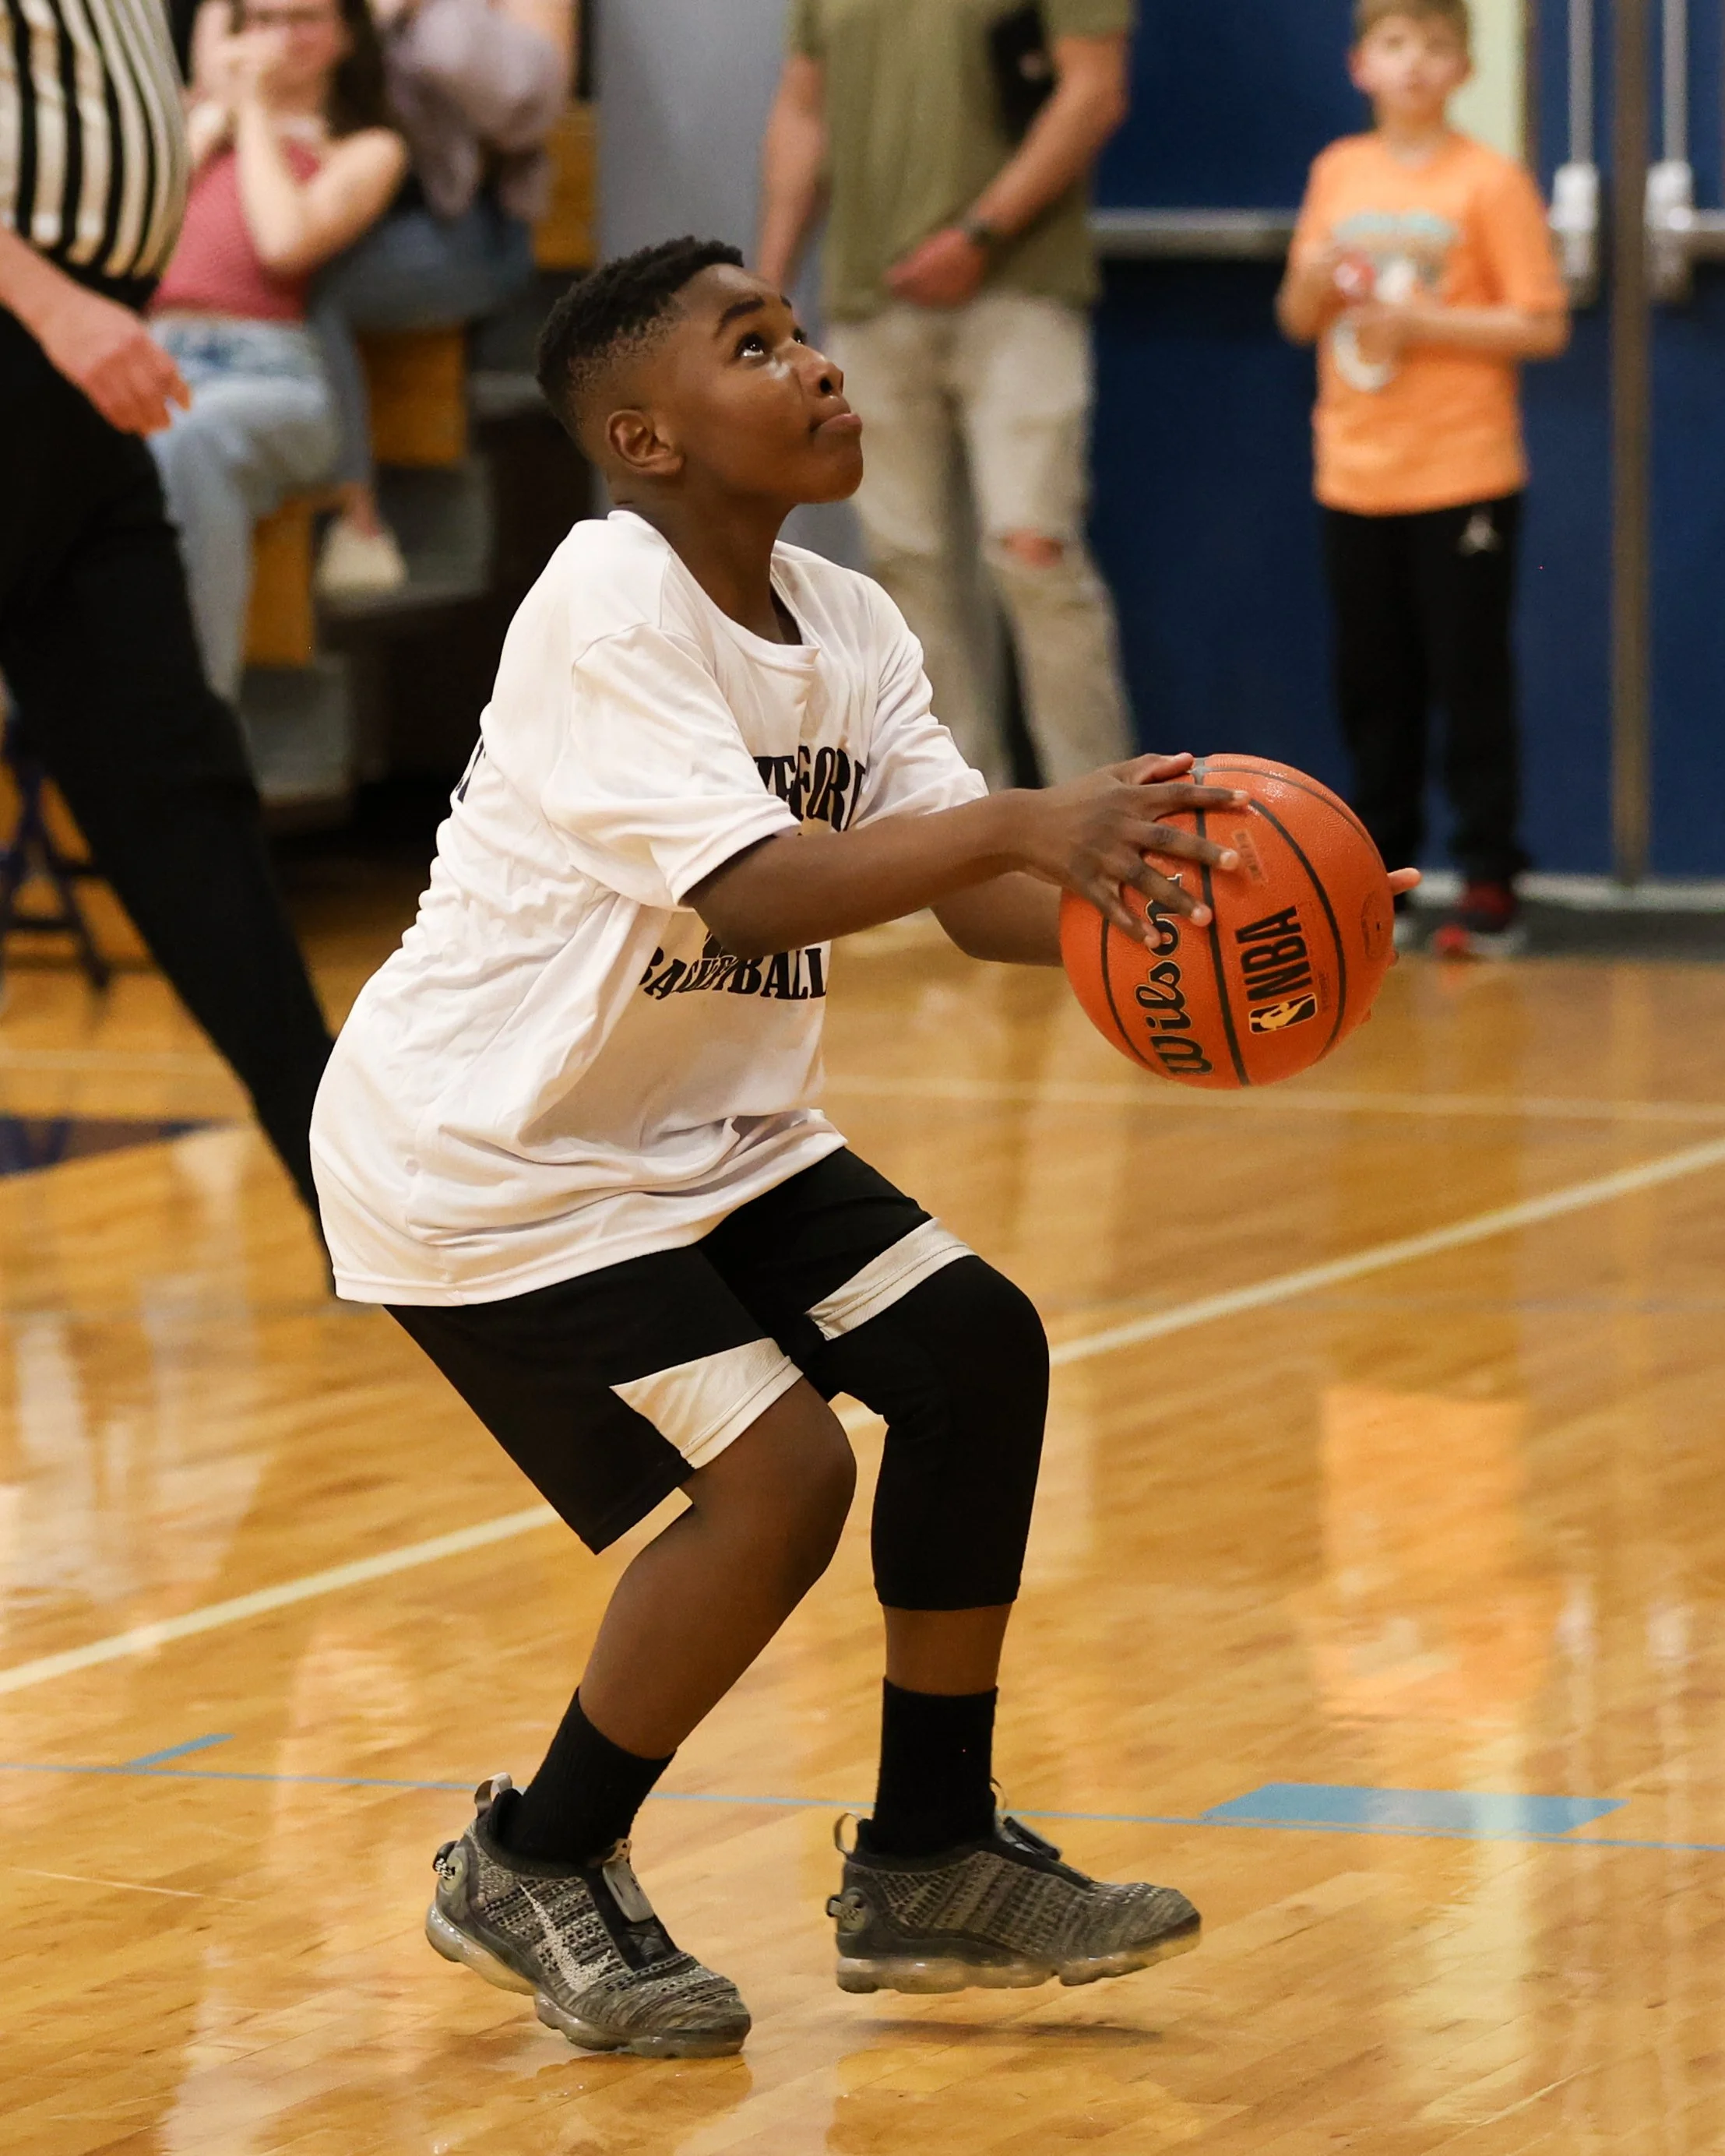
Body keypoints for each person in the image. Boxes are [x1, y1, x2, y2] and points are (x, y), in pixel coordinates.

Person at [313, 237, 1392, 2060]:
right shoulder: (605, 603)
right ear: (646, 437)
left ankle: (930, 1850)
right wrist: (1038, 824)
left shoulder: (853, 620)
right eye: (757, 345)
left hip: (705, 1126)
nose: (814, 364)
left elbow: (973, 900)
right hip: (495, 1154)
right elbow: (748, 889)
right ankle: (536, 1852)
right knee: (783, 1479)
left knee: (977, 1348)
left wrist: (1189, 895)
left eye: (806, 331)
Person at [1, 0, 336, 1215]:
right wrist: (52, 308)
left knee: (175, 782)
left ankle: (358, 1195)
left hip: (81, 369)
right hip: (39, 330)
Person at [756, 1, 1135, 794]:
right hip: (868, 301)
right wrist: (766, 290)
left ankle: (1104, 820)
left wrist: (979, 235)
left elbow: (1093, 91)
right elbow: (802, 112)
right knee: (906, 569)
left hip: (1019, 293)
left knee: (1034, 552)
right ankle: (960, 826)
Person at [1276, 0, 1568, 958]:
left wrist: (1425, 328)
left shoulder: (1490, 182)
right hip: (1353, 474)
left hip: (1462, 472)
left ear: (1462, 71)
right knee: (1374, 684)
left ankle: (1488, 880)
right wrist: (1317, 279)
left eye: (1435, 47)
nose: (1413, 64)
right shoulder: (1335, 172)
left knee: (1468, 677)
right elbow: (1296, 317)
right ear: (1361, 64)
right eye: (1394, 45)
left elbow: (1541, 323)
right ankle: (1380, 878)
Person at [147, 0, 406, 703]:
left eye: (301, 18)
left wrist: (255, 114)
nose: (275, 38)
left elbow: (284, 242)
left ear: (346, 35)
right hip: (153, 358)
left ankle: (197, 721)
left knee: (190, 441)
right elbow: (139, 239)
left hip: (269, 374)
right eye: (258, 19)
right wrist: (208, 118)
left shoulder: (365, 148)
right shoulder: (187, 123)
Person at [293, 0, 576, 596]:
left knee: (308, 289)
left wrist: (422, 16)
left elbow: (527, 109)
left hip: (466, 228)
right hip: (331, 206)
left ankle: (356, 523)